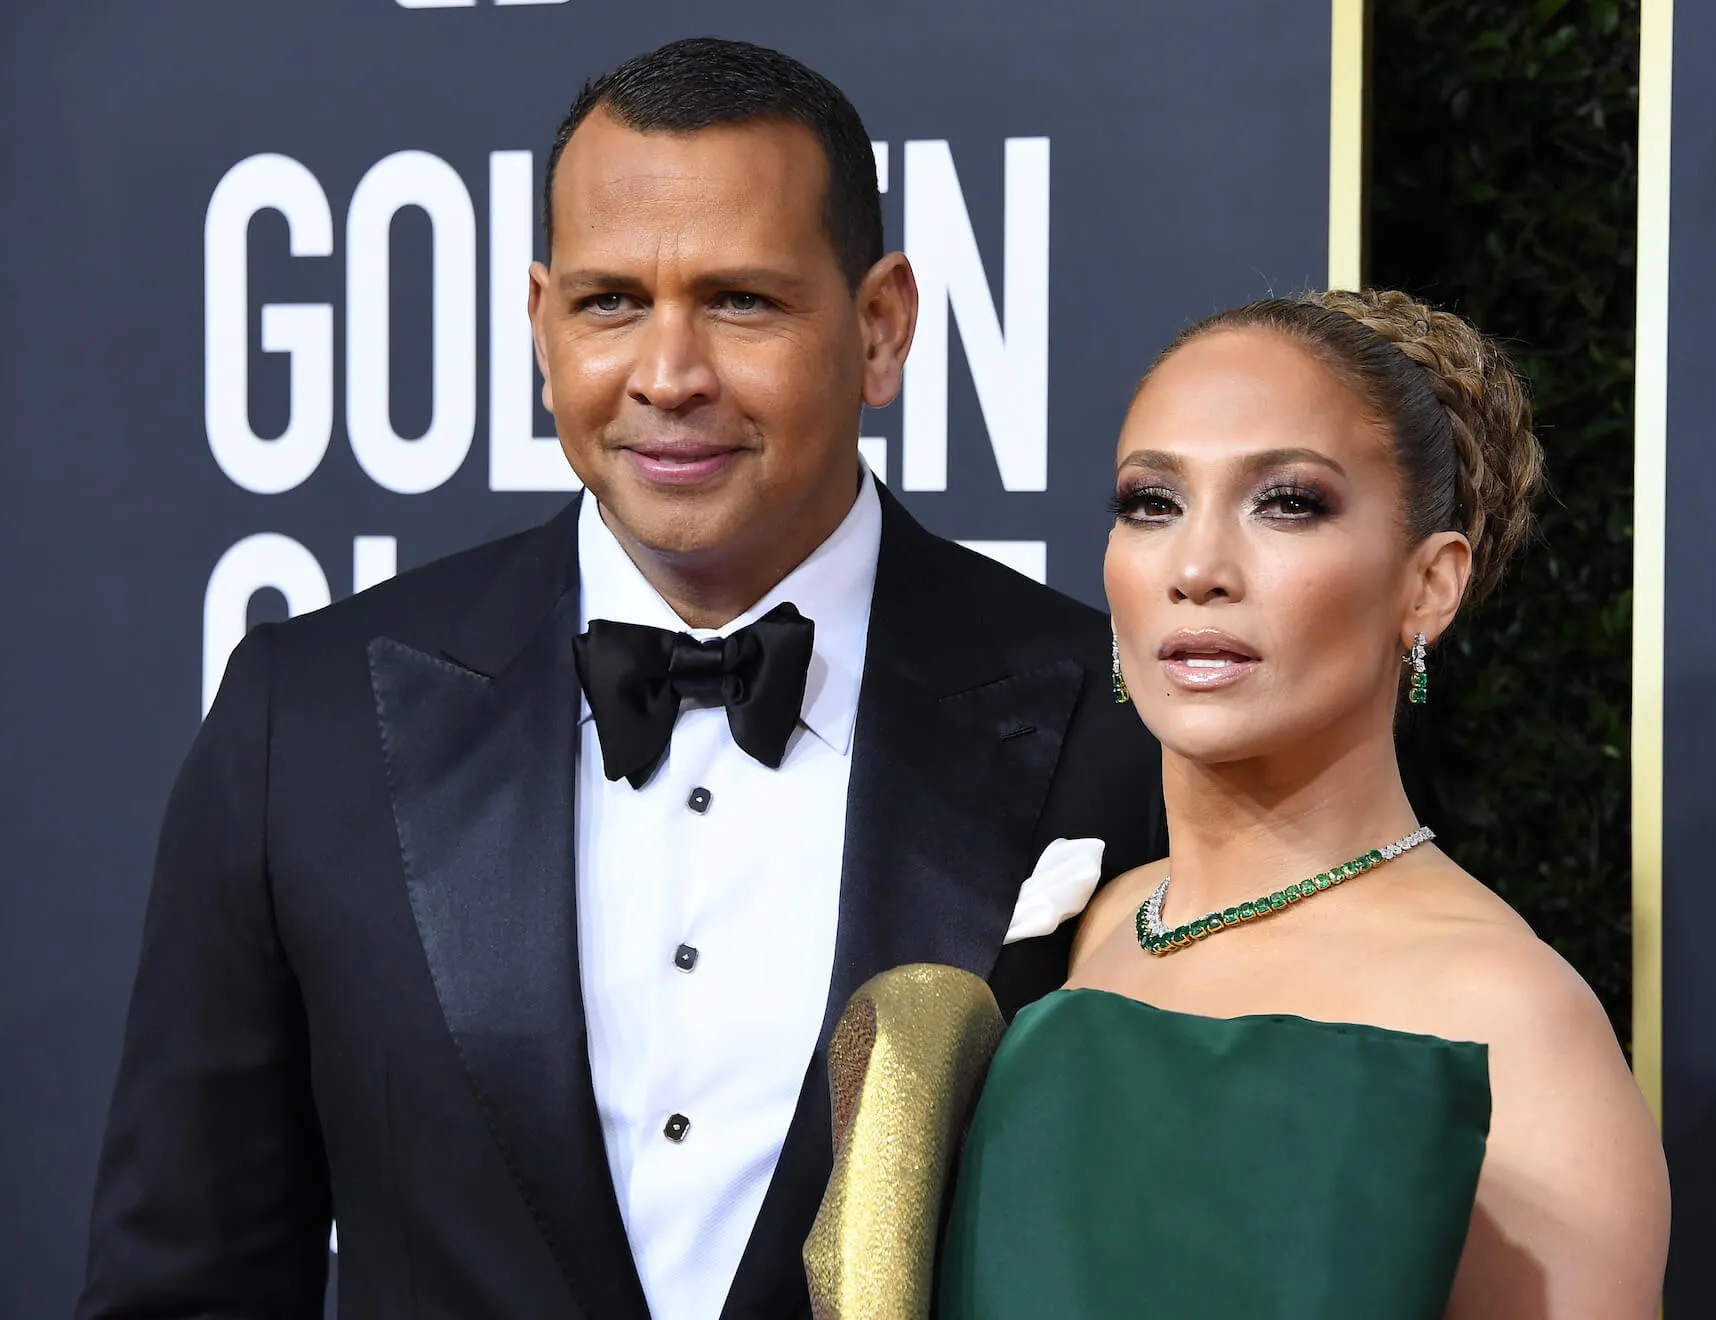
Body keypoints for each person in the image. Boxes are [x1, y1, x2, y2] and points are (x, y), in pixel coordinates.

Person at [77, 37, 1162, 1320]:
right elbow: (187, 1283)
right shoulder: (301, 717)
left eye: (741, 301)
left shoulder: (1116, 722)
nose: (667, 375)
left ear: (880, 329)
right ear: (541, 325)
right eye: (608, 304)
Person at [934, 291, 1670, 1317]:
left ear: (1429, 587)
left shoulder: (1508, 1024)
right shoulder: (1082, 923)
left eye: (1286, 503)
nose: (1195, 569)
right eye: (1151, 503)